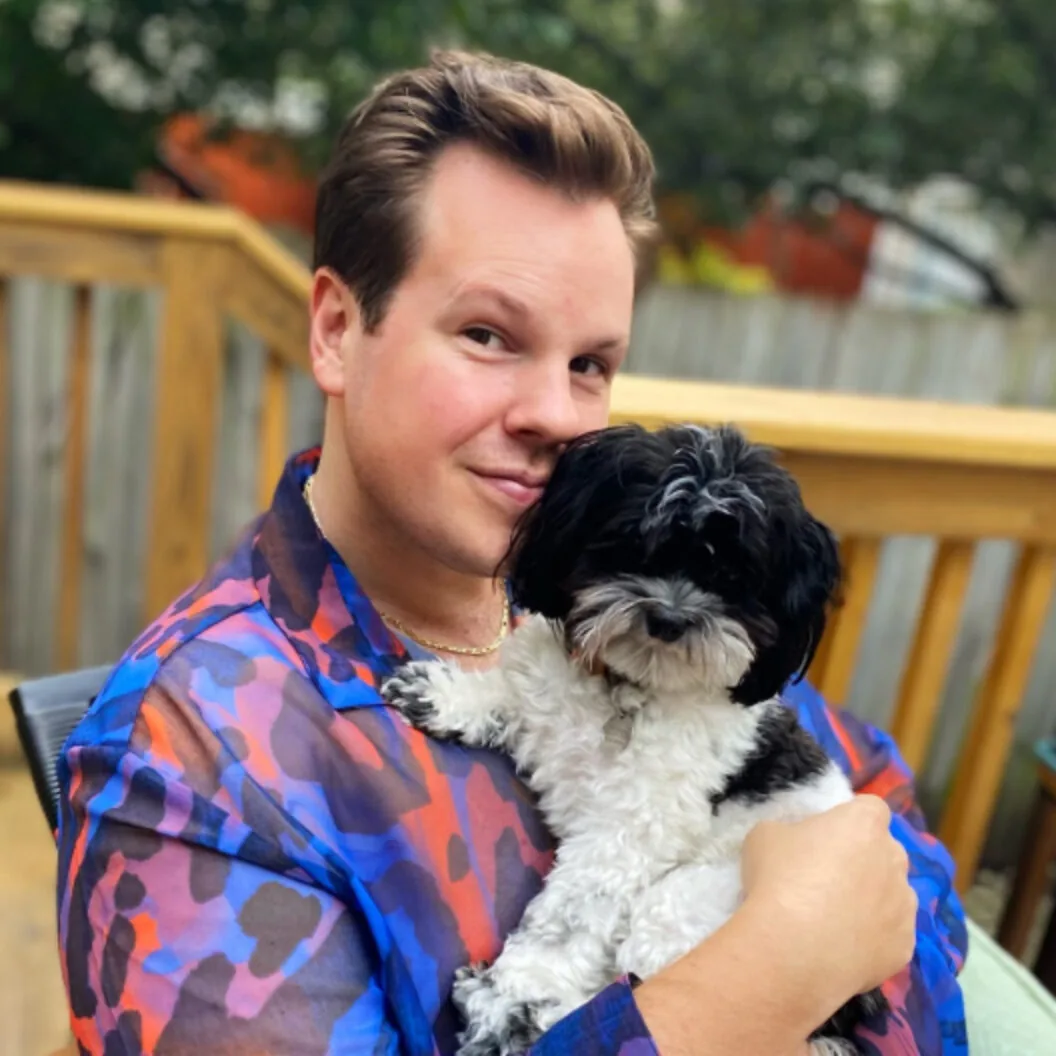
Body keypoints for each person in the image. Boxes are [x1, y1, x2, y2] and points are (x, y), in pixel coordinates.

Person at [56, 50, 968, 1056]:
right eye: (489, 334)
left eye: (590, 364)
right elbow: (851, 910)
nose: (553, 416)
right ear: (335, 330)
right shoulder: (198, 761)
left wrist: (858, 944)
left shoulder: (627, 610)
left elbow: (899, 853)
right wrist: (768, 976)